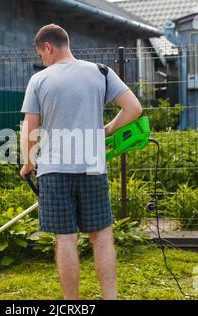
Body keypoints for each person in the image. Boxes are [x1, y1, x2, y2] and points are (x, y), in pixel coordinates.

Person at [19, 24, 142, 300]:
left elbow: (30, 130)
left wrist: (28, 163)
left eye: (41, 54)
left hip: (53, 172)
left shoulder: (39, 80)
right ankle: (110, 297)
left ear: (47, 48)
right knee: (102, 235)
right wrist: (107, 130)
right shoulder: (101, 72)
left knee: (65, 238)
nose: (43, 60)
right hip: (92, 167)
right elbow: (134, 108)